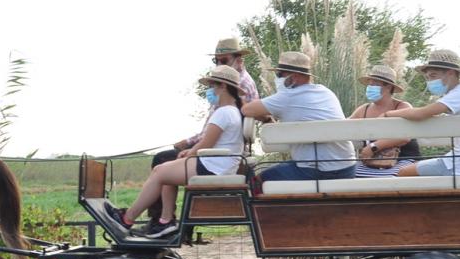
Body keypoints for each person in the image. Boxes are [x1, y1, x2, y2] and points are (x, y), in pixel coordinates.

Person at [105, 65, 244, 238]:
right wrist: (190, 152)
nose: (210, 90)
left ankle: (127, 218)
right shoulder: (232, 111)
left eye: (212, 85)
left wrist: (190, 152)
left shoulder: (223, 113)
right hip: (218, 163)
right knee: (166, 171)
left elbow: (207, 142)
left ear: (222, 86)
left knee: (158, 172)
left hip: (213, 165)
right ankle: (165, 221)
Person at [142, 37, 259, 232]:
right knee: (168, 160)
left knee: (162, 161)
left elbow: (219, 128)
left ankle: (162, 221)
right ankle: (169, 221)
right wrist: (188, 143)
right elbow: (215, 127)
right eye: (217, 60)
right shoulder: (231, 81)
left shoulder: (236, 84)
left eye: (223, 60)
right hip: (220, 146)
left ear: (238, 59)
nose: (219, 64)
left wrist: (190, 146)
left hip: (220, 152)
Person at [384, 48, 460, 176]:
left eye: (433, 76)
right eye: (428, 77)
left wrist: (388, 114)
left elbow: (420, 114)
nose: (429, 81)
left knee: (403, 172)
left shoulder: (459, 95)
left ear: (451, 73)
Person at [240, 51, 356, 181]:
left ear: (293, 77)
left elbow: (246, 110)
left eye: (279, 74)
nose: (277, 78)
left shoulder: (287, 97)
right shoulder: (326, 91)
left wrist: (266, 117)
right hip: (347, 168)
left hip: (315, 171)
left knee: (257, 181)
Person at [348, 64, 420, 177]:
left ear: (388, 87)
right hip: (371, 163)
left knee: (393, 178)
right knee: (349, 175)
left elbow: (404, 137)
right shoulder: (363, 110)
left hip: (403, 160)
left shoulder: (402, 107)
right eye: (369, 84)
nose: (370, 87)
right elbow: (343, 129)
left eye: (375, 84)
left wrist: (373, 147)